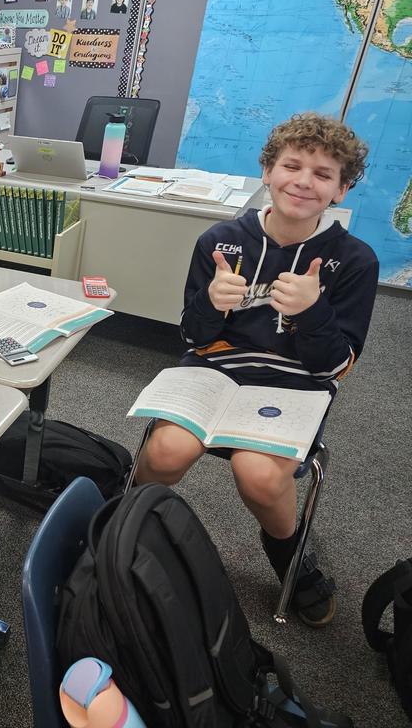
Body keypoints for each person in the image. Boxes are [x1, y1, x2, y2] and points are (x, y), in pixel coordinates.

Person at [132, 113, 378, 628]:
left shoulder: (354, 261)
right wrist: (210, 303)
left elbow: (336, 365)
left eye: (323, 174)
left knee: (259, 474)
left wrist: (312, 313)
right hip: (214, 371)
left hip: (296, 383)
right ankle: (124, 524)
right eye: (292, 165)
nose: (304, 181)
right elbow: (192, 336)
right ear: (267, 172)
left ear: (341, 189)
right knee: (165, 449)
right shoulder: (221, 241)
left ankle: (291, 554)